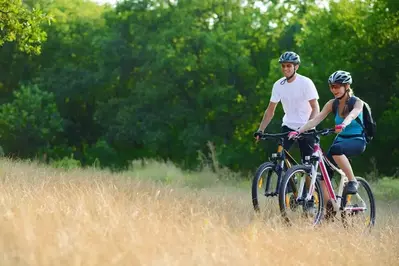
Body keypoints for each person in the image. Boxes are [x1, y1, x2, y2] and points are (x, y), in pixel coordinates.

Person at [288, 70, 366, 195]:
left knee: (335, 149)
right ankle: (328, 208)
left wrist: (344, 124)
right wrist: (299, 131)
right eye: (331, 87)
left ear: (346, 86)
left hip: (357, 140)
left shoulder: (357, 102)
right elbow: (316, 119)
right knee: (324, 172)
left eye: (337, 86)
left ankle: (352, 181)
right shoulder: (332, 104)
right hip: (340, 141)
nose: (334, 90)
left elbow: (353, 114)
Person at [254, 51, 320, 162]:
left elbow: (315, 108)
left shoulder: (305, 82)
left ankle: (306, 176)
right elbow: (270, 111)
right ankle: (289, 177)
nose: (285, 69)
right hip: (288, 126)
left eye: (289, 66)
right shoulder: (278, 85)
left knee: (307, 164)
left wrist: (308, 127)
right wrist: (261, 130)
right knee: (280, 157)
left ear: (296, 66)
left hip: (306, 127)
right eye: (283, 66)